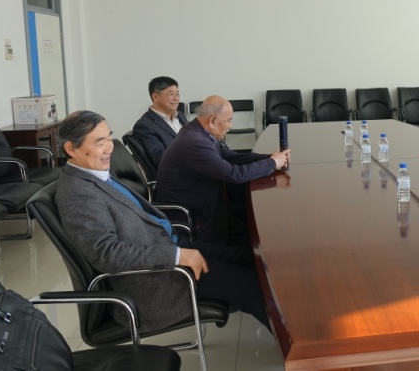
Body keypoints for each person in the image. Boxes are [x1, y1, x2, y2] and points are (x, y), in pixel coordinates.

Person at [54, 110, 270, 333]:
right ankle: (293, 347)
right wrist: (175, 256)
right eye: (100, 142)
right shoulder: (77, 193)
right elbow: (107, 254)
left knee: (256, 260)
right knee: (251, 284)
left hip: (170, 247)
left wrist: (177, 250)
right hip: (157, 279)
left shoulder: (95, 173)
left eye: (109, 138)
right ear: (71, 148)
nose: (109, 148)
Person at [156, 95, 290, 246]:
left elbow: (231, 157)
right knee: (256, 239)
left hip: (210, 205)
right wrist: (272, 163)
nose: (230, 126)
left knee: (258, 224)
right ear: (213, 121)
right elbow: (234, 174)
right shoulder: (195, 142)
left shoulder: (199, 131)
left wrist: (270, 158)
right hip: (199, 219)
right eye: (229, 120)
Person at [132, 76, 188, 171]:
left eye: (177, 94)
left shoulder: (180, 115)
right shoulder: (145, 126)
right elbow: (160, 158)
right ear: (155, 97)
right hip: (177, 173)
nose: (176, 98)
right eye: (171, 94)